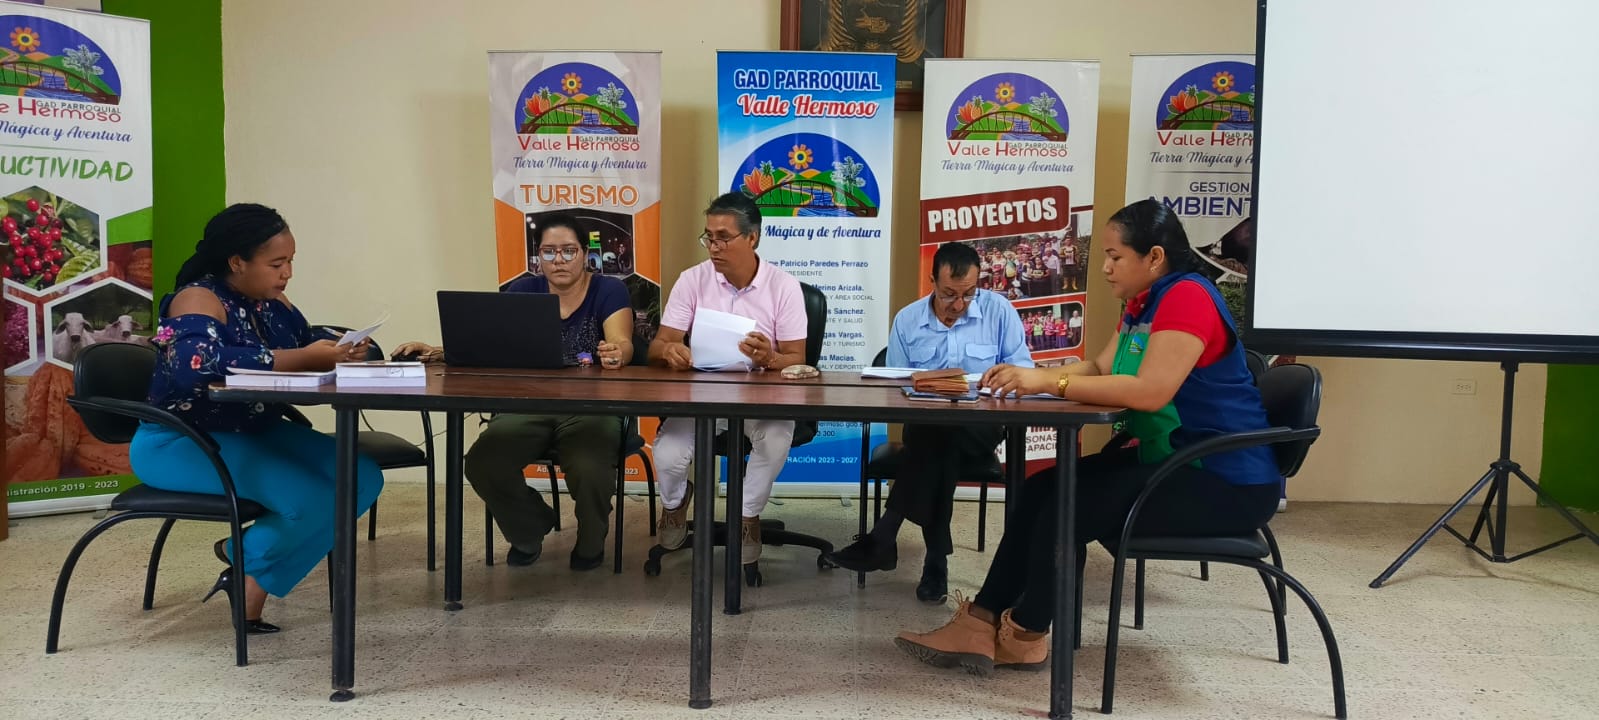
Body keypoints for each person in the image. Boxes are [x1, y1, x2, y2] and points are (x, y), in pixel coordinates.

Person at [894, 199, 1279, 674]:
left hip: (1222, 478)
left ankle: (1026, 635)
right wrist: (1032, 376)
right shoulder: (1143, 303)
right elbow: (1100, 367)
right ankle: (979, 622)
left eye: (1115, 256)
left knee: (1065, 507)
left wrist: (1049, 383)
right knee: (1042, 487)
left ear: (1154, 257)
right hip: (1174, 458)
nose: (1105, 268)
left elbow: (1151, 390)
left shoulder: (1188, 297)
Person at [129, 203, 385, 634]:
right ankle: (250, 573)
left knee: (362, 477)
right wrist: (306, 358)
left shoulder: (271, 302)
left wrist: (352, 349)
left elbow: (306, 341)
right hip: (182, 441)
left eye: (290, 262)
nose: (287, 274)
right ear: (237, 262)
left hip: (254, 429)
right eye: (277, 264)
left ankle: (242, 557)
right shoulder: (198, 298)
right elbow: (194, 365)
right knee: (308, 501)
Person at [394, 214, 632, 570]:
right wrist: (439, 351)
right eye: (549, 252)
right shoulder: (523, 291)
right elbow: (491, 345)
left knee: (589, 466)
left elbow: (622, 341)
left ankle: (591, 539)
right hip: (527, 403)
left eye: (569, 251)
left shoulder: (608, 290)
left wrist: (617, 352)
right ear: (539, 256)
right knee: (482, 462)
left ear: (585, 254)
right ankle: (529, 527)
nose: (559, 260)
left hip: (591, 405)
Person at [827, 242, 1031, 602]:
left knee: (936, 442)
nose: (959, 304)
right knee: (938, 444)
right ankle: (933, 563)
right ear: (932, 281)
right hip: (925, 426)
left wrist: (1003, 377)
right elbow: (892, 388)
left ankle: (884, 538)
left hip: (981, 427)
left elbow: (1023, 370)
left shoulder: (999, 311)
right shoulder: (908, 320)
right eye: (949, 294)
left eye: (969, 294)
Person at [649, 192, 808, 566]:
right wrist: (670, 351)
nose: (713, 247)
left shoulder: (783, 286)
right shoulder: (693, 280)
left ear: (752, 238)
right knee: (668, 453)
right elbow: (658, 345)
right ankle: (675, 504)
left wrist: (769, 358)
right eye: (708, 237)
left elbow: (796, 359)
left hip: (761, 400)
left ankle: (746, 515)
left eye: (723, 237)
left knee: (776, 438)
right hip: (700, 396)